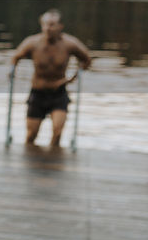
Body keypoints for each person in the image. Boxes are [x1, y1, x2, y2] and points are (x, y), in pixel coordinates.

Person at [10, 9, 93, 150]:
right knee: (31, 135)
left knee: (58, 132)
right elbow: (16, 57)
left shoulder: (69, 44)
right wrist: (12, 72)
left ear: (60, 26)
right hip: (38, 93)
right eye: (45, 24)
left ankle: (53, 159)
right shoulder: (32, 43)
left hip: (58, 93)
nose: (48, 28)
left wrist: (72, 78)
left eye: (52, 25)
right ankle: (31, 159)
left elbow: (86, 60)